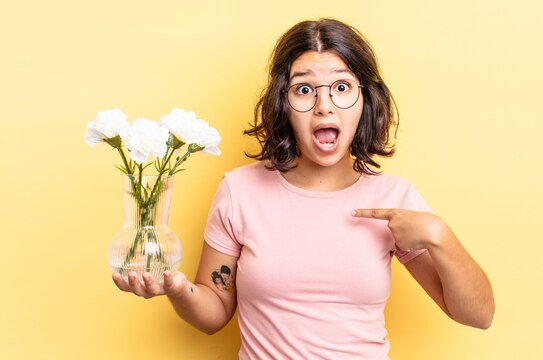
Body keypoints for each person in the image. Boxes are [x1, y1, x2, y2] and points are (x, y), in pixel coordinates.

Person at [113, 18, 495, 359]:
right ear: (283, 102)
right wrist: (177, 289)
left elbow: (478, 316)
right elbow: (213, 314)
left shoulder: (394, 200)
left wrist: (440, 235)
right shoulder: (240, 191)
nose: (324, 106)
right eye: (304, 90)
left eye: (342, 87)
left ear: (365, 99)